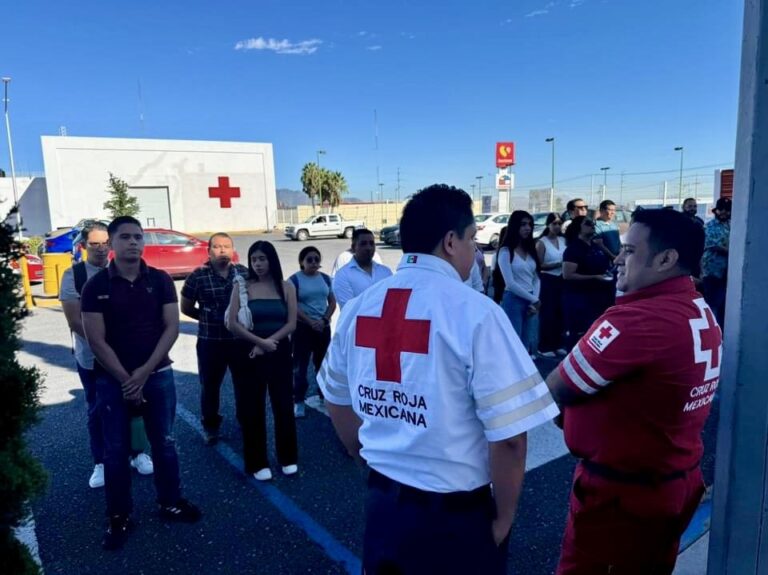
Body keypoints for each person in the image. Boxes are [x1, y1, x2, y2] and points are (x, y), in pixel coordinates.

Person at [318, 184, 559, 575]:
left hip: (383, 508)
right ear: (450, 242)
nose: (474, 253)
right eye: (470, 241)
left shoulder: (362, 308)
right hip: (454, 518)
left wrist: (361, 454)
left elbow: (335, 398)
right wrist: (502, 520)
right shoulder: (476, 313)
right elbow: (511, 438)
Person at [545, 209, 717, 574]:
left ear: (666, 258)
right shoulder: (696, 306)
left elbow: (555, 390)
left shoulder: (639, 319)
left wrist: (575, 415)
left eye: (629, 250)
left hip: (622, 498)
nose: (618, 259)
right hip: (672, 479)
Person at [81, 216, 201, 551]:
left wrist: (144, 372)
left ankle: (170, 502)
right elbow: (96, 340)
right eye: (125, 237)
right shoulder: (96, 286)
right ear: (112, 243)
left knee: (164, 442)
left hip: (158, 376)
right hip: (112, 381)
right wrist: (125, 378)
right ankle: (119, 516)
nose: (133, 242)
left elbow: (171, 328)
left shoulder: (161, 280)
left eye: (138, 237)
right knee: (116, 450)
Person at [60, 221, 154, 488]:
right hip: (92, 360)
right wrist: (107, 349)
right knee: (98, 409)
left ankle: (138, 453)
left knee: (136, 405)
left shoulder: (126, 272)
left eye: (104, 243)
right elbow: (75, 322)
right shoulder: (75, 276)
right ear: (83, 246)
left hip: (129, 358)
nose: (101, 250)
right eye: (94, 244)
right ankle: (101, 462)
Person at [227, 241, 298, 481]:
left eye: (262, 259)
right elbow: (233, 324)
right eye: (254, 259)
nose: (257, 264)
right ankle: (257, 462)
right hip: (248, 353)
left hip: (278, 351)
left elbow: (291, 323)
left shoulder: (286, 287)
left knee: (283, 407)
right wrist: (258, 342)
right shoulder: (242, 286)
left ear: (272, 260)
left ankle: (288, 457)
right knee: (252, 409)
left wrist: (268, 343)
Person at [180, 232, 248, 445]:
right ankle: (210, 426)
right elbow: (186, 307)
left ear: (232, 249)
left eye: (226, 246)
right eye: (217, 247)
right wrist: (207, 317)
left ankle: (245, 421)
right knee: (210, 387)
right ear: (208, 251)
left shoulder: (244, 273)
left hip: (239, 342)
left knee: (243, 384)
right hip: (211, 342)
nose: (222, 250)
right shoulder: (198, 276)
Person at [288, 246, 336, 418]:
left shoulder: (325, 279)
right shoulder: (294, 280)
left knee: (323, 365)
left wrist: (323, 320)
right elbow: (292, 306)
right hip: (302, 329)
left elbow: (332, 302)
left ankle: (324, 397)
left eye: (317, 259)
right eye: (310, 259)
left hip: (322, 328)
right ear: (302, 262)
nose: (314, 262)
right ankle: (299, 401)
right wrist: (310, 322)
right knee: (300, 367)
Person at [562, 215, 616, 350]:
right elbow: (568, 275)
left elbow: (614, 260)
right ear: (578, 228)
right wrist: (595, 277)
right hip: (580, 299)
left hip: (600, 297)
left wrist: (603, 247)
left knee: (597, 334)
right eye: (587, 223)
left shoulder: (596, 245)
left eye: (593, 223)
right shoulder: (573, 249)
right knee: (580, 335)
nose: (592, 225)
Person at [498, 211, 541, 359]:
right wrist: (534, 299)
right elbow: (510, 283)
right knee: (513, 343)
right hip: (513, 300)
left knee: (527, 342)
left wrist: (534, 299)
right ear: (514, 226)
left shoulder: (530, 249)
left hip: (531, 301)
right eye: (523, 224)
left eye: (530, 224)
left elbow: (536, 277)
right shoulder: (506, 251)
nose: (527, 228)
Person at [332, 228, 392, 309]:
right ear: (353, 247)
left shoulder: (386, 272)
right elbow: (349, 309)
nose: (368, 248)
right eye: (363, 244)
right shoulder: (342, 275)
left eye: (371, 243)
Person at [535, 213, 567, 358]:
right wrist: (558, 264)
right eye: (554, 223)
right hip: (548, 280)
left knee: (560, 312)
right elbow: (539, 265)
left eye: (559, 223)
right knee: (548, 313)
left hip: (562, 279)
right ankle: (545, 345)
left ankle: (558, 343)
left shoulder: (563, 240)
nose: (557, 226)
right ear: (548, 225)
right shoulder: (542, 242)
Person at [701, 197, 731, 327]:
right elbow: (714, 245)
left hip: (728, 273)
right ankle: (710, 331)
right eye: (721, 209)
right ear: (716, 211)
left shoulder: (733, 225)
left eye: (727, 210)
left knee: (725, 305)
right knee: (712, 305)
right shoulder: (709, 226)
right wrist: (734, 251)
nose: (724, 212)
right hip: (713, 272)